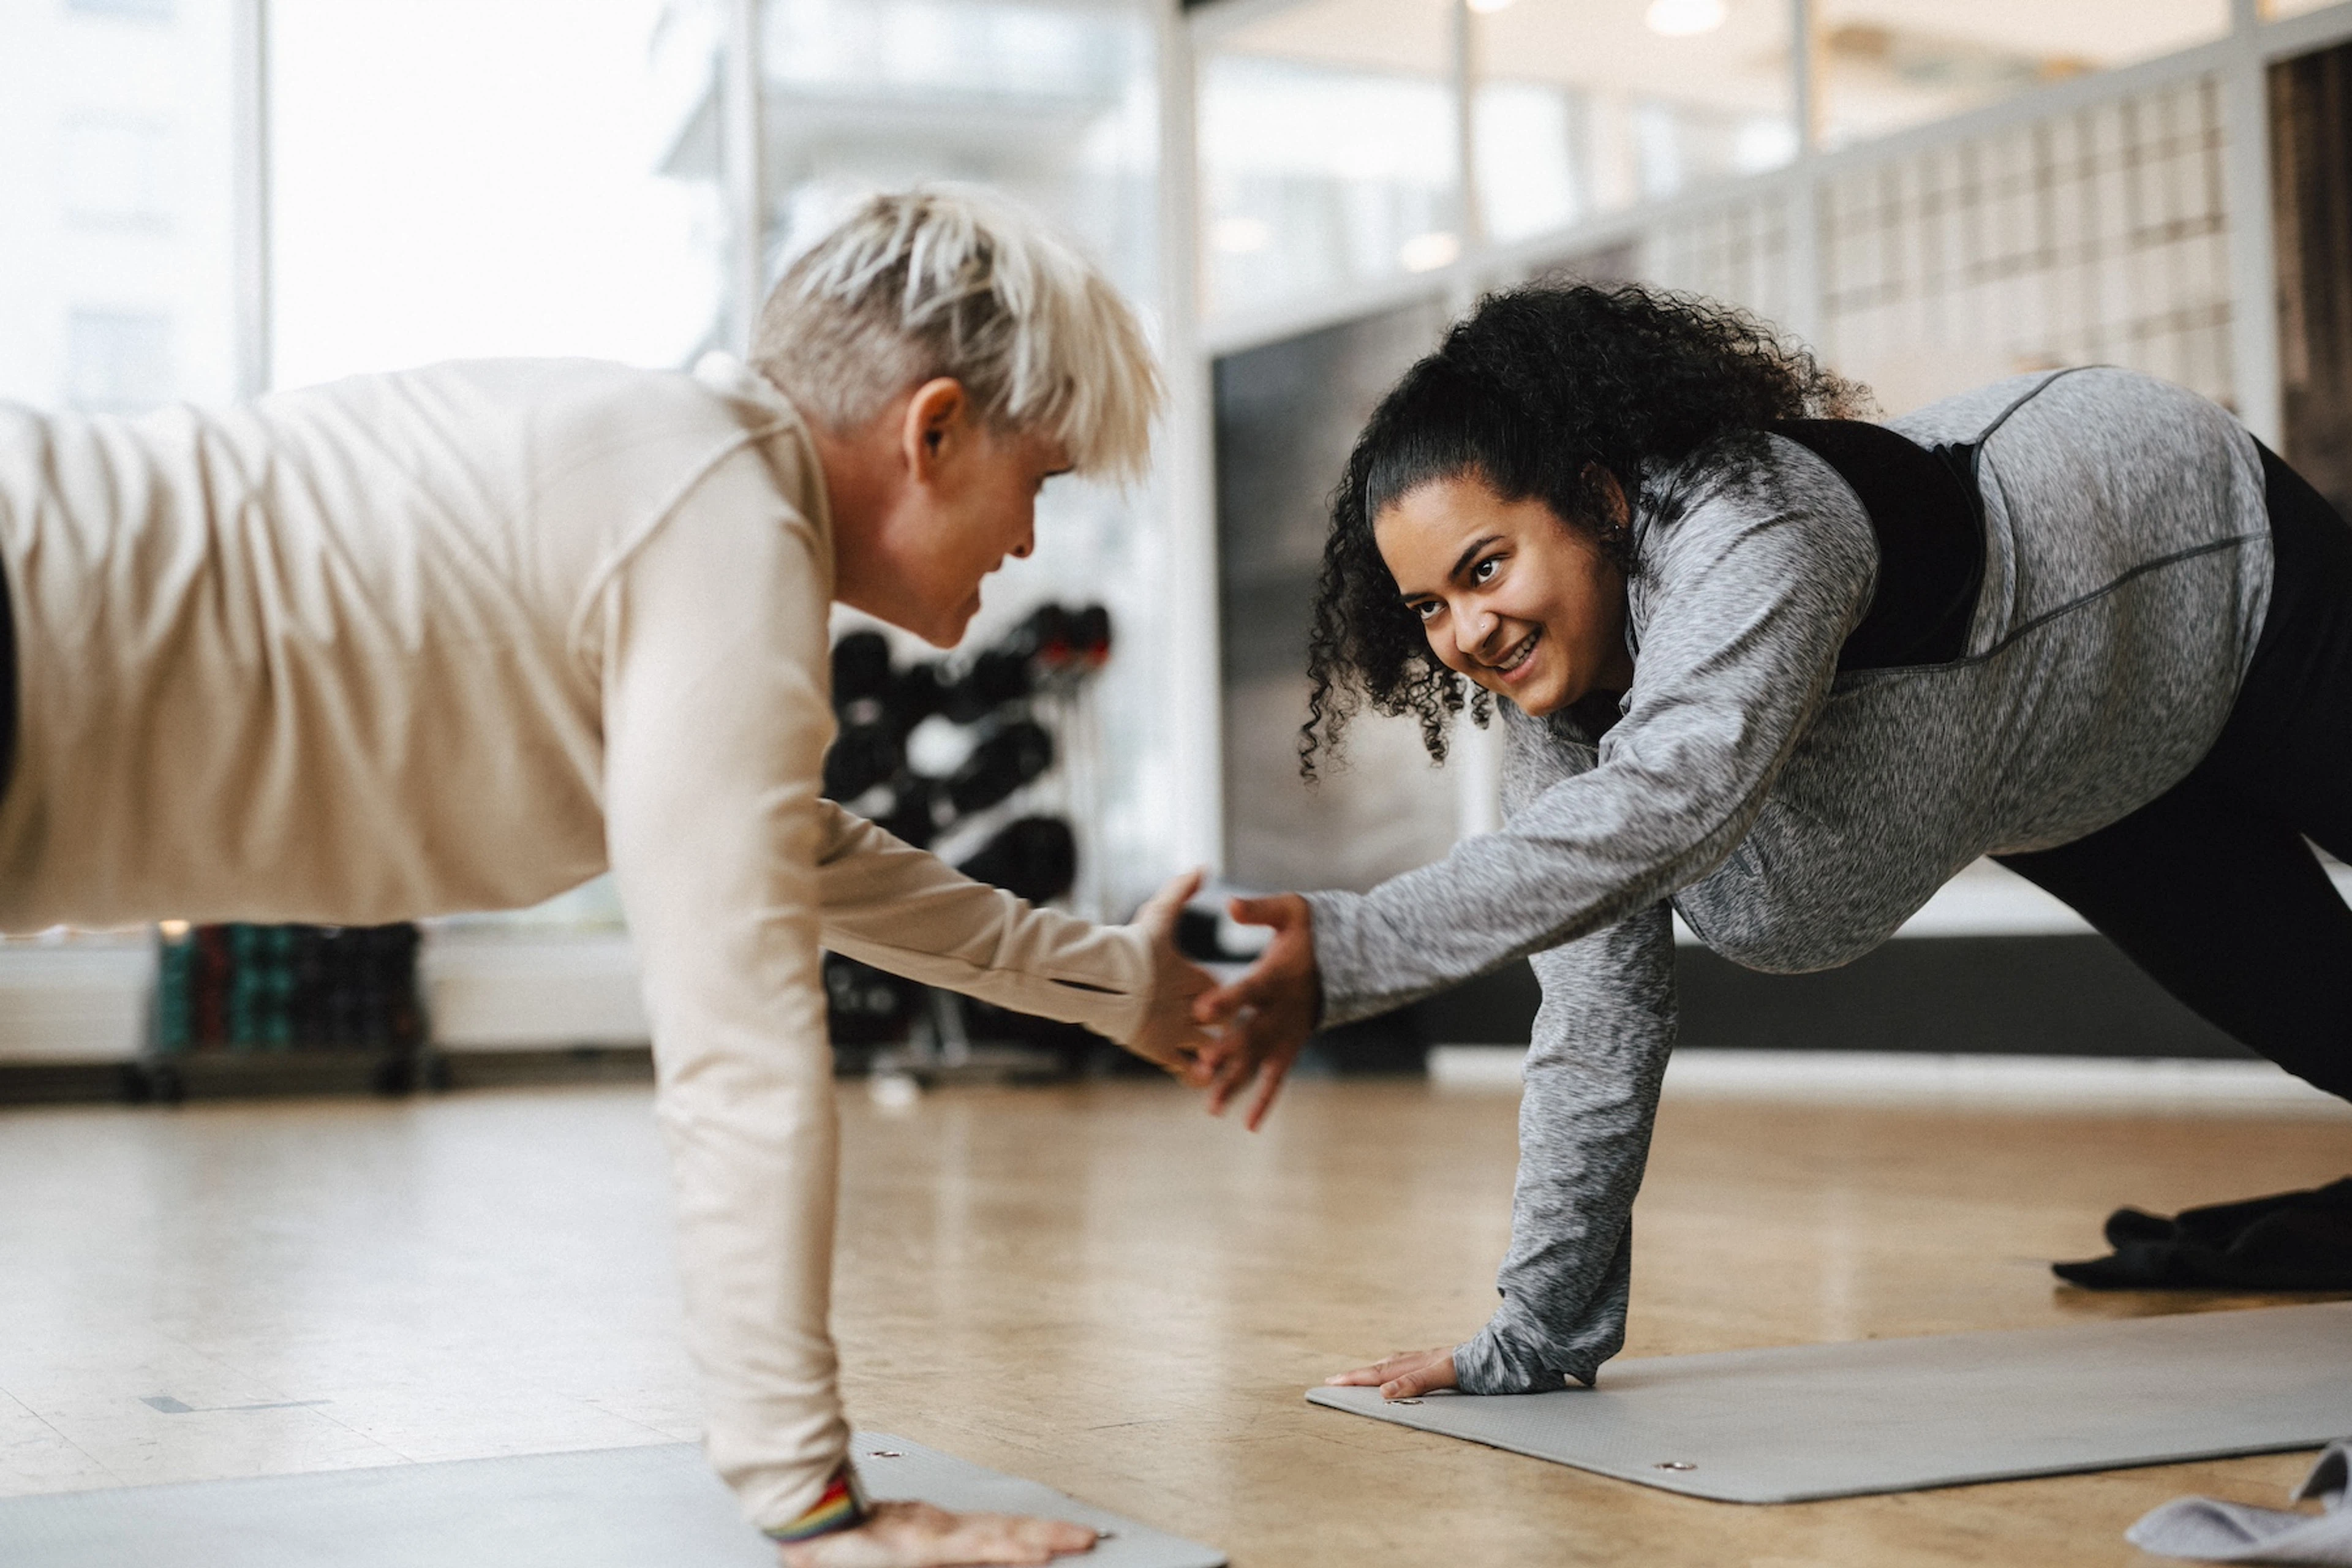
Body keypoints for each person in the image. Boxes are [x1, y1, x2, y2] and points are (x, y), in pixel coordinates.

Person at [0, 188, 1218, 1566]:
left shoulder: (686, 487)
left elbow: (810, 860)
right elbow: (740, 1037)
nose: (1030, 544)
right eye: (1040, 481)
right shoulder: (719, 514)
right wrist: (812, 1499)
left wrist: (1113, 984)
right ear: (931, 430)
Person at [1191, 281, 2352, 1404]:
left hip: (2210, 561)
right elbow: (1597, 1019)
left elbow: (1673, 794)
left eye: (1486, 567)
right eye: (1429, 606)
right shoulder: (1558, 720)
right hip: (2085, 760)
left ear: (1600, 499)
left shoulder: (1758, 529)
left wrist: (1359, 946)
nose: (1468, 633)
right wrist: (1534, 1338)